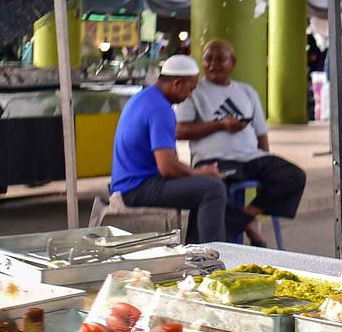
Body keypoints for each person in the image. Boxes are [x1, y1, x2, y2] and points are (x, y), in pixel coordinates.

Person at [176, 39, 307, 246]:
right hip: (213, 161)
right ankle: (248, 232)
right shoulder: (195, 91)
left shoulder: (247, 92)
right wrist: (219, 125)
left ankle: (246, 218)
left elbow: (261, 133)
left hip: (250, 157)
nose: (213, 64)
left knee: (294, 176)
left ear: (233, 62)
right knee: (211, 190)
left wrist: (266, 159)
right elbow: (180, 130)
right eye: (208, 59)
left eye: (220, 59)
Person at [110, 55, 228, 241]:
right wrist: (202, 173)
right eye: (191, 88)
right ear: (177, 83)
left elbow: (165, 160)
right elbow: (167, 167)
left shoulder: (144, 97)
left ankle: (196, 253)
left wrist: (197, 173)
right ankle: (216, 255)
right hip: (136, 188)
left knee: (203, 188)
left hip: (129, 183)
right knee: (213, 189)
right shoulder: (161, 110)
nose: (190, 95)